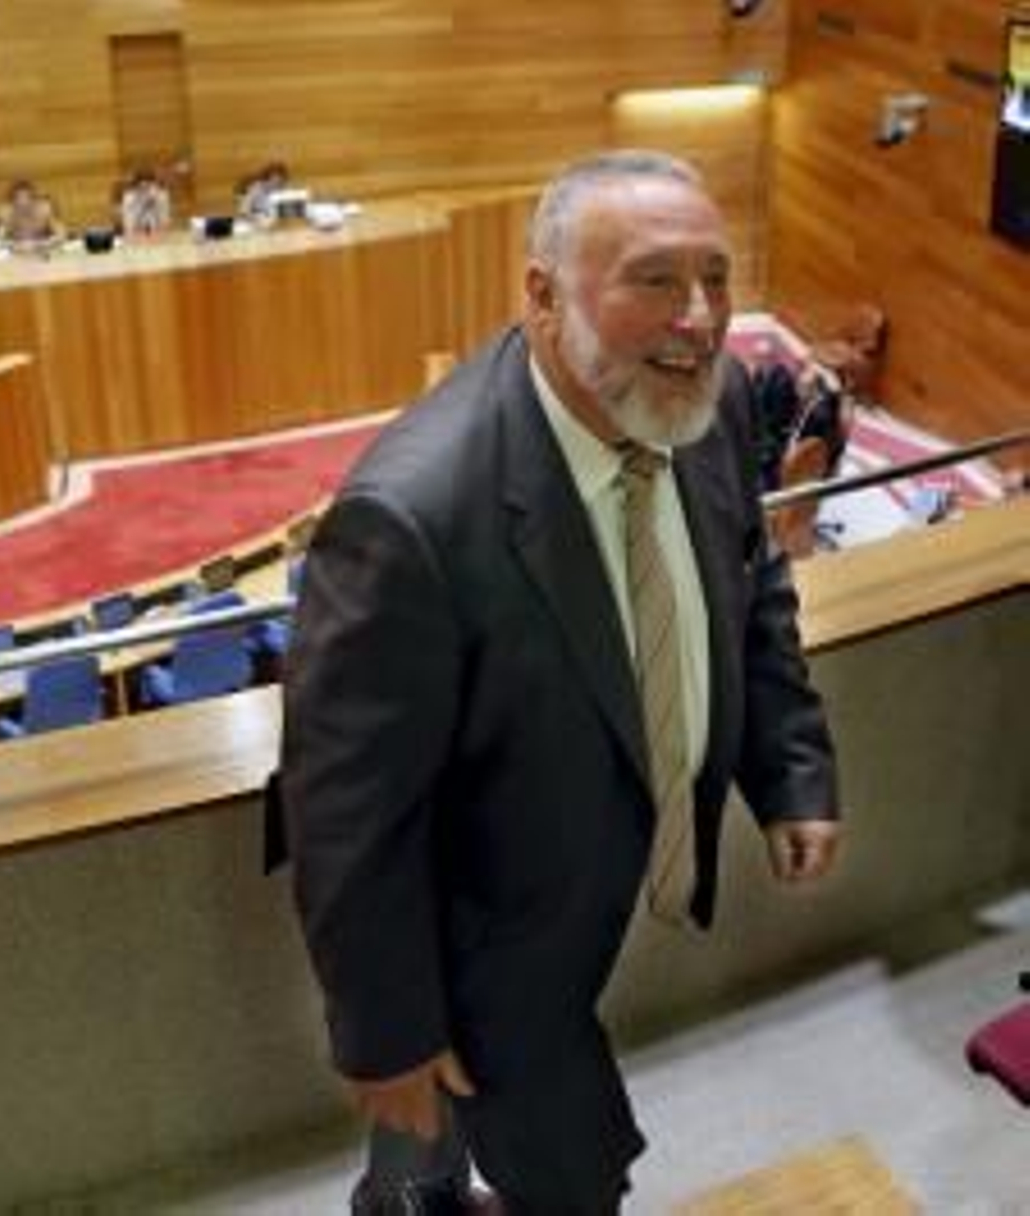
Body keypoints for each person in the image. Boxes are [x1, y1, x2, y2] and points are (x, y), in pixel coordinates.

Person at [277, 150, 842, 1214]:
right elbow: (345, 810)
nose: (702, 317)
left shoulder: (704, 409)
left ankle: (411, 1192)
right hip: (478, 917)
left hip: (590, 869)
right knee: (567, 1168)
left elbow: (749, 582)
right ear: (541, 293)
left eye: (715, 277)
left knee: (438, 1146)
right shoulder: (411, 515)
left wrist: (792, 767)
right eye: (655, 279)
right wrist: (384, 1034)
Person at [0, 179, 64, 252]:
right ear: (12, 200)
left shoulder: (44, 209)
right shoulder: (7, 211)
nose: (22, 202)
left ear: (34, 198)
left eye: (27, 198)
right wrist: (13, 245)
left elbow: (61, 234)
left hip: (42, 250)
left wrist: (40, 244)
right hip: (16, 251)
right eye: (18, 198)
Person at [117, 167, 172, 238]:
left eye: (148, 185)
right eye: (142, 185)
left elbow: (164, 214)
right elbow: (127, 216)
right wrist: (131, 230)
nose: (145, 186)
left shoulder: (161, 195)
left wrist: (161, 228)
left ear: (153, 183)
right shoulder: (130, 196)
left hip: (156, 229)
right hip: (135, 229)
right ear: (136, 184)